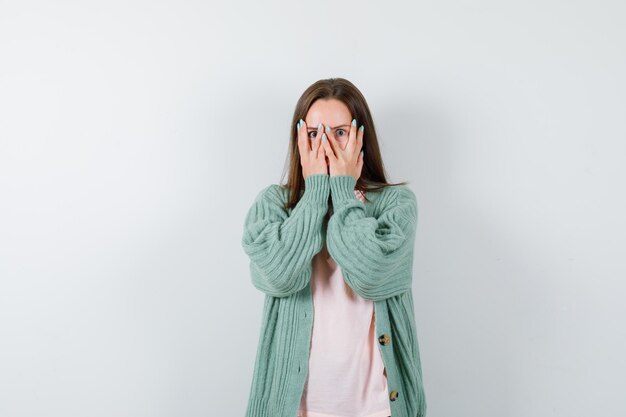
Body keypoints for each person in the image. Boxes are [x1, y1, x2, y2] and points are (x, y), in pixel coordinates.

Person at [241, 77, 427, 417]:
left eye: (340, 132)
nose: (325, 145)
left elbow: (372, 275)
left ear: (361, 138)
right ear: (298, 141)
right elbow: (279, 276)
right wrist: (313, 196)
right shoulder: (274, 204)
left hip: (378, 408)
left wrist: (342, 192)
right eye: (313, 134)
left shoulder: (396, 205)